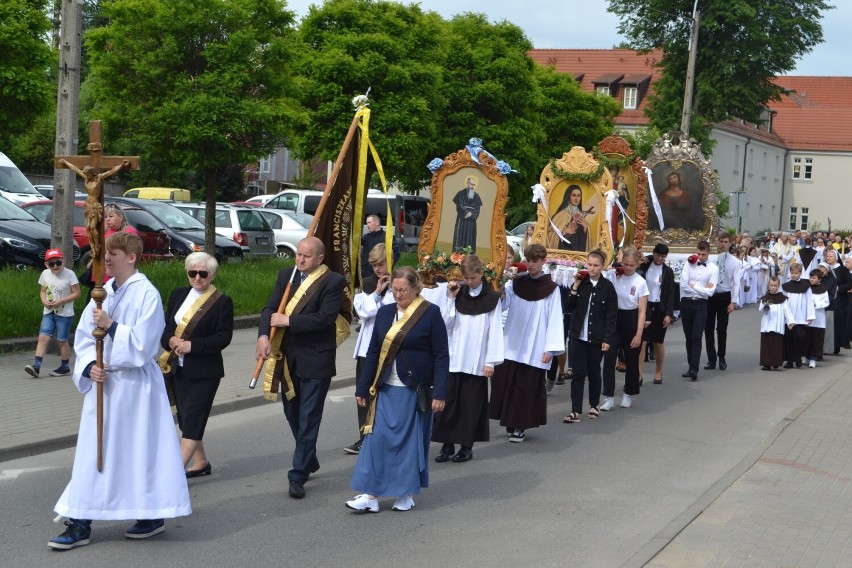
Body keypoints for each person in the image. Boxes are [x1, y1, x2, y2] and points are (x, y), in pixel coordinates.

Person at [50, 232, 190, 550]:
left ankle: (150, 513)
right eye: (106, 253)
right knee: (92, 453)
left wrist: (112, 325)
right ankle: (80, 521)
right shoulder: (102, 293)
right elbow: (84, 339)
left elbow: (145, 343)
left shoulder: (147, 294)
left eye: (114, 253)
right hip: (105, 384)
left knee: (138, 452)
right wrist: (88, 366)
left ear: (132, 258)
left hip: (137, 388)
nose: (107, 259)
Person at [346, 267, 449, 513]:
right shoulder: (383, 313)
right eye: (394, 289)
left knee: (406, 443)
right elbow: (372, 353)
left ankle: (405, 493)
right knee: (376, 440)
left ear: (416, 288)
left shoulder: (430, 313)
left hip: (413, 390)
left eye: (403, 290)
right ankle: (370, 495)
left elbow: (441, 355)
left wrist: (440, 393)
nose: (398, 294)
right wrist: (362, 387)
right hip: (384, 388)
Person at [256, 237, 346, 499]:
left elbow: (324, 319)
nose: (300, 259)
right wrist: (263, 336)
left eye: (307, 256)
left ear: (319, 259)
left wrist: (289, 320)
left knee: (309, 417)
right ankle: (309, 458)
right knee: (292, 412)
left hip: (316, 359)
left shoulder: (333, 282)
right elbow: (270, 308)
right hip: (288, 358)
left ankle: (297, 474)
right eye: (298, 254)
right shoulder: (287, 275)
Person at [160, 252, 234, 477]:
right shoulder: (178, 294)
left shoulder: (222, 302)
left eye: (203, 273)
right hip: (177, 367)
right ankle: (201, 462)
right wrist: (171, 340)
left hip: (205, 371)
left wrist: (193, 346)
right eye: (193, 273)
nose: (197, 278)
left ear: (212, 275)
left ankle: (172, 475)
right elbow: (165, 328)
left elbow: (223, 337)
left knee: (193, 418)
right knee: (185, 418)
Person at [489, 243, 564, 442]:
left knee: (525, 386)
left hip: (535, 345)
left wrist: (550, 348)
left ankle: (520, 426)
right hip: (512, 340)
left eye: (534, 261)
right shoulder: (516, 283)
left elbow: (555, 319)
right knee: (506, 382)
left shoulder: (551, 289)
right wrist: (501, 290)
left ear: (543, 261)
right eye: (528, 261)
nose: (530, 265)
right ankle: (510, 420)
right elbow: (504, 305)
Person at [433, 255, 503, 463]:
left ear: (481, 273)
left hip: (477, 360)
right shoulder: (457, 293)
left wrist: (490, 361)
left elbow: (495, 330)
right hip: (455, 358)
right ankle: (447, 444)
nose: (469, 281)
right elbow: (445, 323)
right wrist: (451, 299)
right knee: (448, 403)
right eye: (466, 278)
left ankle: (466, 446)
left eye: (472, 277)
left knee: (470, 405)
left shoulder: (492, 298)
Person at [346, 243, 395, 455]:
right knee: (364, 394)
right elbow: (363, 312)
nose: (378, 269)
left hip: (390, 349)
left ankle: (385, 438)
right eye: (374, 265)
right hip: (368, 350)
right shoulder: (366, 285)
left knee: (387, 395)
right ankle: (364, 436)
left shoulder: (402, 284)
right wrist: (376, 292)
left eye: (382, 264)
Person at [562, 249, 617, 422]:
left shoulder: (607, 287)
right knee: (577, 373)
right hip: (578, 336)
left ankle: (594, 405)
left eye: (596, 265)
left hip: (597, 337)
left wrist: (607, 339)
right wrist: (575, 286)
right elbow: (568, 306)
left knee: (594, 372)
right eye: (589, 265)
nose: (592, 268)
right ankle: (575, 410)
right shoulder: (582, 283)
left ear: (602, 266)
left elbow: (611, 315)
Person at [599, 246, 648, 410]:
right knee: (609, 358)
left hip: (632, 319)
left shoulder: (640, 282)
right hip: (615, 318)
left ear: (637, 265)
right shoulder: (614, 275)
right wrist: (611, 269)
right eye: (625, 264)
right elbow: (602, 275)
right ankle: (609, 396)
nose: (627, 268)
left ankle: (628, 393)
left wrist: (638, 334)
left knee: (631, 360)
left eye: (631, 265)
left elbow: (642, 311)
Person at [25, 248, 80, 378]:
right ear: (46, 264)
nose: (55, 266)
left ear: (63, 261)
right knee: (43, 337)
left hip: (64, 313)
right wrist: (44, 301)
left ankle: (65, 366)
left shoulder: (70, 274)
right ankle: (36, 366)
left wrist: (61, 301)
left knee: (61, 340)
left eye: (58, 262)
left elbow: (77, 293)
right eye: (51, 264)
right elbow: (43, 291)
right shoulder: (45, 274)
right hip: (49, 311)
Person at [679, 241, 719, 380]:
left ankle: (694, 368)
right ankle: (690, 366)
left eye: (703, 254)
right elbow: (683, 285)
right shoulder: (688, 263)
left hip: (701, 304)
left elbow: (711, 292)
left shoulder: (713, 268)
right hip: (686, 302)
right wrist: (703, 288)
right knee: (688, 336)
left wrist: (695, 285)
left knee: (697, 336)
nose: (700, 257)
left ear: (708, 253)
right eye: (699, 253)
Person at [639, 243, 677, 385]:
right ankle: (639, 374)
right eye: (657, 255)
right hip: (645, 306)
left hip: (660, 308)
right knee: (642, 342)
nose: (660, 258)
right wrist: (645, 259)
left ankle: (658, 371)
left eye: (663, 256)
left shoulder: (667, 271)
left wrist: (669, 313)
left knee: (658, 342)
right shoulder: (645, 265)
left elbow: (670, 293)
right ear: (653, 253)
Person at [705, 234, 742, 371]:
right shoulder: (710, 259)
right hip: (710, 295)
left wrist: (733, 302)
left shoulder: (735, 262)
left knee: (721, 328)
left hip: (724, 296)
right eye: (721, 241)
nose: (723, 244)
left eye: (726, 242)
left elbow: (736, 283)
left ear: (730, 243)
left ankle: (721, 356)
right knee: (708, 328)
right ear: (716, 242)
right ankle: (711, 359)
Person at [781, 263, 814, 368]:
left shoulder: (806, 287)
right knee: (789, 339)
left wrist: (810, 316)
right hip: (789, 318)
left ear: (800, 273)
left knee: (799, 339)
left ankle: (798, 358)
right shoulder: (785, 286)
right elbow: (782, 301)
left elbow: (809, 301)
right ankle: (790, 361)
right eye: (792, 273)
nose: (794, 275)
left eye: (796, 273)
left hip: (800, 316)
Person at [758, 277, 794, 371]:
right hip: (767, 324)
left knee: (777, 344)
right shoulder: (765, 297)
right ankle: (766, 363)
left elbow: (787, 310)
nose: (773, 287)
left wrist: (790, 322)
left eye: (775, 285)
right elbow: (761, 308)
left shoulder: (782, 298)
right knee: (766, 344)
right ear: (768, 285)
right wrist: (766, 305)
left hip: (777, 325)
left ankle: (776, 362)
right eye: (771, 285)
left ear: (778, 286)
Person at [549, 185, 592, 251]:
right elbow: (551, 233)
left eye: (578, 195)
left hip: (578, 252)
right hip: (564, 251)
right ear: (568, 196)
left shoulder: (581, 216)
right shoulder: (560, 215)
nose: (576, 198)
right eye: (573, 195)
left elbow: (584, 238)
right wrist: (564, 232)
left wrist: (585, 228)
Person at [824, 248, 850, 354]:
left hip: (839, 300)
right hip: (827, 299)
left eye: (830, 256)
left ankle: (836, 346)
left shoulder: (842, 269)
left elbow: (849, 283)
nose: (828, 258)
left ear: (836, 258)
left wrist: (839, 288)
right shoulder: (825, 268)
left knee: (837, 324)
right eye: (827, 256)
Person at [360, 213, 399, 282]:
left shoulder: (388, 237)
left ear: (377, 222)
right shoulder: (365, 237)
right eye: (367, 223)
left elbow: (396, 254)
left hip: (382, 275)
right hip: (366, 275)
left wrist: (386, 267)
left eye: (369, 222)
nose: (367, 225)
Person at [806, 269, 830, 368]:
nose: (811, 279)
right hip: (807, 318)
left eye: (814, 278)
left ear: (819, 279)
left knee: (816, 339)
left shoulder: (823, 290)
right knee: (807, 338)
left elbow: (826, 302)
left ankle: (813, 359)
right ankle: (805, 356)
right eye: (810, 277)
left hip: (818, 319)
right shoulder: (807, 289)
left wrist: (816, 304)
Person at [452, 175, 483, 250]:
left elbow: (477, 209)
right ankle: (457, 255)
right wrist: (466, 213)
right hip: (462, 219)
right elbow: (459, 205)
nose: (472, 186)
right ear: (467, 183)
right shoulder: (460, 193)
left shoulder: (476, 196)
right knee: (459, 237)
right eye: (471, 184)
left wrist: (471, 215)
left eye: (474, 185)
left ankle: (469, 257)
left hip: (471, 221)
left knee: (470, 238)